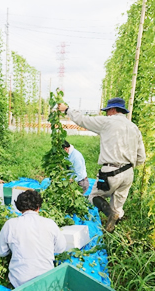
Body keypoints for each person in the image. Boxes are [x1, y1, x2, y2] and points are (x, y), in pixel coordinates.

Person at [58, 97, 146, 233]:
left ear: (112, 110)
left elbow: (84, 120)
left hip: (111, 171)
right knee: (117, 206)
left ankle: (110, 215)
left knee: (93, 197)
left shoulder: (107, 122)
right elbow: (141, 157)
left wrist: (67, 110)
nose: (106, 113)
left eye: (107, 111)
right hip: (129, 173)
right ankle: (115, 233)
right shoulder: (134, 127)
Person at [0, 190, 66, 288]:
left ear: (19, 208)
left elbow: (0, 252)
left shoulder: (10, 224)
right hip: (46, 280)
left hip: (19, 282)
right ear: (38, 207)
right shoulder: (50, 224)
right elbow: (60, 248)